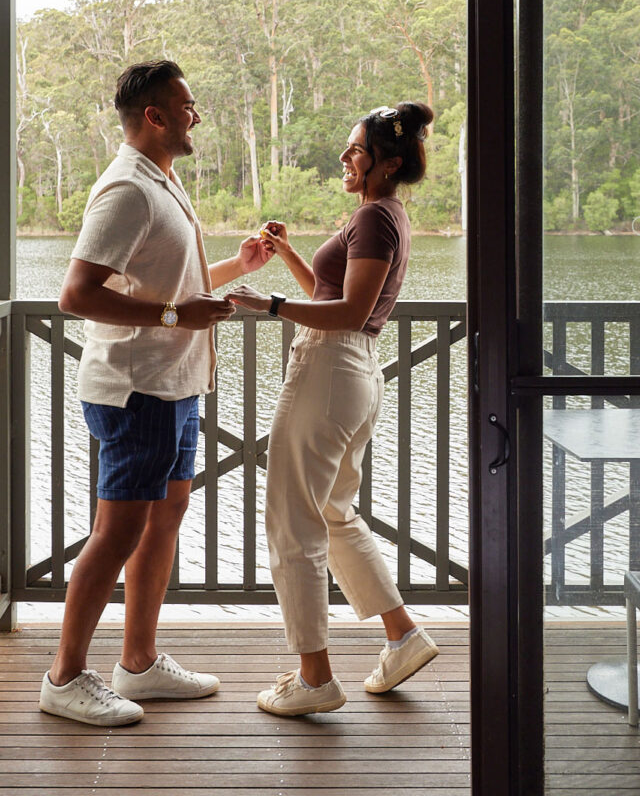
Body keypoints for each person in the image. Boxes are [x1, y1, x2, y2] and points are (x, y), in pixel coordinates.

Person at [39, 60, 277, 726]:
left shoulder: (163, 180)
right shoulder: (126, 190)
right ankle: (64, 677)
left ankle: (138, 664)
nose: (196, 114)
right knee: (116, 535)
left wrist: (238, 267)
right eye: (188, 105)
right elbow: (77, 296)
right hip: (136, 391)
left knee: (163, 521)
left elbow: (166, 284)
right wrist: (177, 318)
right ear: (155, 116)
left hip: (176, 387)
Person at [225, 100, 439, 716]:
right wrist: (289, 258)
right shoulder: (382, 215)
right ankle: (402, 636)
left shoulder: (375, 219)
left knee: (294, 519)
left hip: (330, 368)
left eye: (356, 150)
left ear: (387, 162)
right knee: (333, 512)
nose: (345, 158)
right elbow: (333, 295)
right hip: (352, 370)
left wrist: (266, 305)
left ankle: (314, 678)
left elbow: (347, 313)